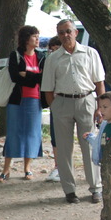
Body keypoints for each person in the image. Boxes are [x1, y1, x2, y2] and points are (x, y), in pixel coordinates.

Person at [41, 19, 105, 204]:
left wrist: (100, 107)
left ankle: (96, 188)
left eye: (68, 31)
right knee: (63, 148)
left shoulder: (90, 53)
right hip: (62, 103)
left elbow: (99, 82)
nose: (65, 35)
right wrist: (54, 107)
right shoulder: (53, 58)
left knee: (90, 146)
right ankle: (69, 190)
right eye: (61, 32)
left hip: (86, 101)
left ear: (76, 32)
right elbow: (47, 88)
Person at [0, 25, 45, 183]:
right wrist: (33, 76)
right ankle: (6, 169)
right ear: (26, 39)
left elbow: (43, 78)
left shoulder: (42, 57)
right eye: (34, 36)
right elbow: (15, 77)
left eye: (38, 36)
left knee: (32, 133)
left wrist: (27, 75)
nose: (37, 39)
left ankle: (27, 168)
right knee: (13, 133)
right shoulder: (15, 55)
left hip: (35, 100)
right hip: (16, 100)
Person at [83, 92, 111, 166]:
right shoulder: (104, 124)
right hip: (105, 163)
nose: (101, 110)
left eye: (105, 107)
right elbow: (100, 141)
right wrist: (90, 137)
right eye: (100, 107)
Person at [45, 36, 62, 182]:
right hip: (56, 103)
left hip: (72, 101)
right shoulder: (50, 62)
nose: (54, 52)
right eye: (52, 50)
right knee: (56, 137)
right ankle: (58, 167)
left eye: (57, 49)